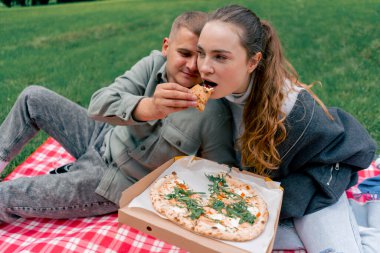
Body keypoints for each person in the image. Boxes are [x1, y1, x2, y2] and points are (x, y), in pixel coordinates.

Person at [0, 11, 237, 223]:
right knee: (33, 98)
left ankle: (72, 176)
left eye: (201, 56)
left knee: (7, 195)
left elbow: (218, 174)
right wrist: (151, 106)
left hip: (114, 182)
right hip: (102, 136)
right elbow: (99, 104)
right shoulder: (154, 64)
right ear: (167, 47)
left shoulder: (214, 111)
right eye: (184, 53)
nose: (193, 65)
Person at [196, 5, 379, 253]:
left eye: (220, 56)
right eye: (201, 53)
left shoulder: (294, 111)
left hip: (308, 186)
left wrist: (286, 201)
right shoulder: (213, 91)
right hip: (260, 193)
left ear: (253, 61)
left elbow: (347, 154)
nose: (204, 67)